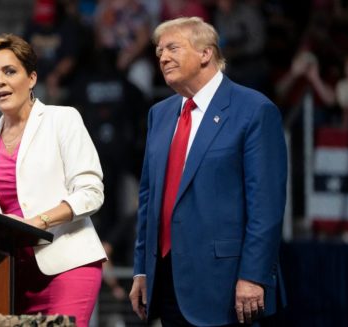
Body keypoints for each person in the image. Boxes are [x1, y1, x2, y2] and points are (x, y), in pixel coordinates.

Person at [128, 17, 287, 326]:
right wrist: (142, 269)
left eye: (173, 47)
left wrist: (253, 276)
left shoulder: (254, 110)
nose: (162, 57)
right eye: (159, 50)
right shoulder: (159, 114)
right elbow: (148, 199)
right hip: (167, 282)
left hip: (227, 287)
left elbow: (265, 206)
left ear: (205, 53)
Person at [0, 33, 106, 327]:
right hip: (10, 274)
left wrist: (39, 222)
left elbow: (91, 192)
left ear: (31, 78)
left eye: (9, 71)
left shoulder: (62, 119)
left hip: (67, 265)